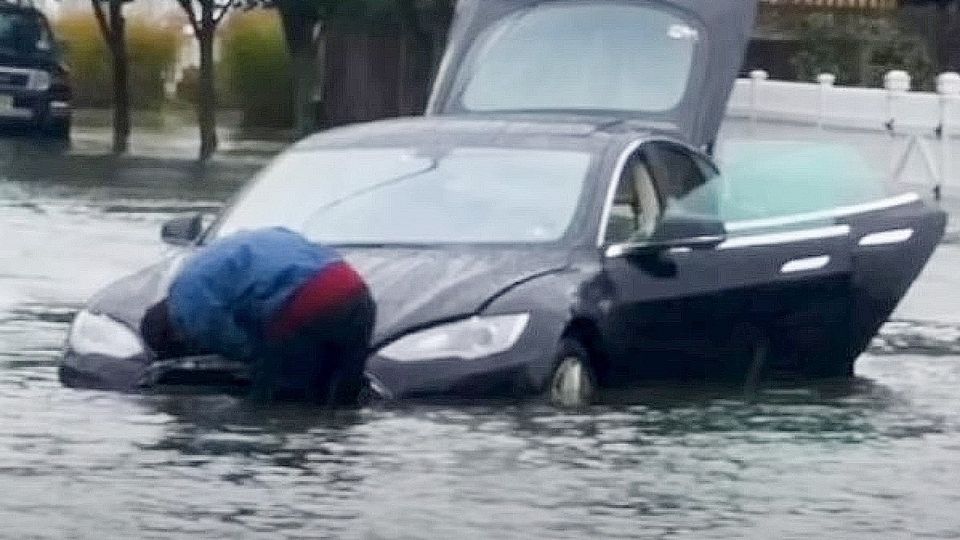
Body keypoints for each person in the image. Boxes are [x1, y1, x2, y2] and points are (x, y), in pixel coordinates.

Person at [140, 227, 375, 406]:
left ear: (172, 332)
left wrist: (261, 363)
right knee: (344, 400)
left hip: (303, 304)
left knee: (272, 404)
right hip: (356, 292)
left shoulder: (183, 301)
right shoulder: (223, 251)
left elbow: (235, 343)